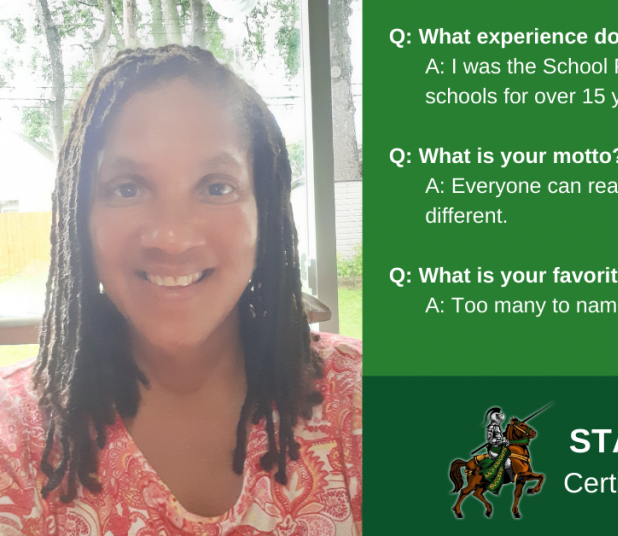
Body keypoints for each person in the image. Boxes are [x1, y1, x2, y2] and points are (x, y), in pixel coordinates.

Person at [0, 46, 361, 535]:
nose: (172, 238)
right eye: (127, 187)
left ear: (266, 213)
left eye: (217, 186)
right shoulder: (12, 439)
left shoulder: (370, 399)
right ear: (78, 217)